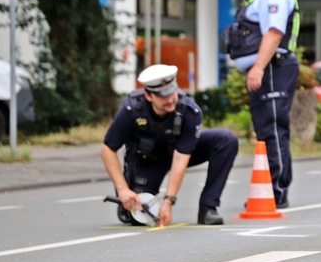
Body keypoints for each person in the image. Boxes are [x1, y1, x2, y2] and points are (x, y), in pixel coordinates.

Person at [100, 64, 239, 226]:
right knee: (136, 217)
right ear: (149, 96)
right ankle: (133, 197)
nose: (170, 99)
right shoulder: (132, 109)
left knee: (226, 139)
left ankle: (208, 207)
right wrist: (123, 190)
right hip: (147, 158)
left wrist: (168, 202)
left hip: (178, 152)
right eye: (162, 95)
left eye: (171, 92)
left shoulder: (189, 110)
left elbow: (180, 159)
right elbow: (108, 149)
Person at [225, 0, 300, 208]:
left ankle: (276, 191)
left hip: (272, 68)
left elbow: (274, 33)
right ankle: (274, 189)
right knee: (267, 128)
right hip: (269, 68)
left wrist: (257, 67)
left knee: (272, 129)